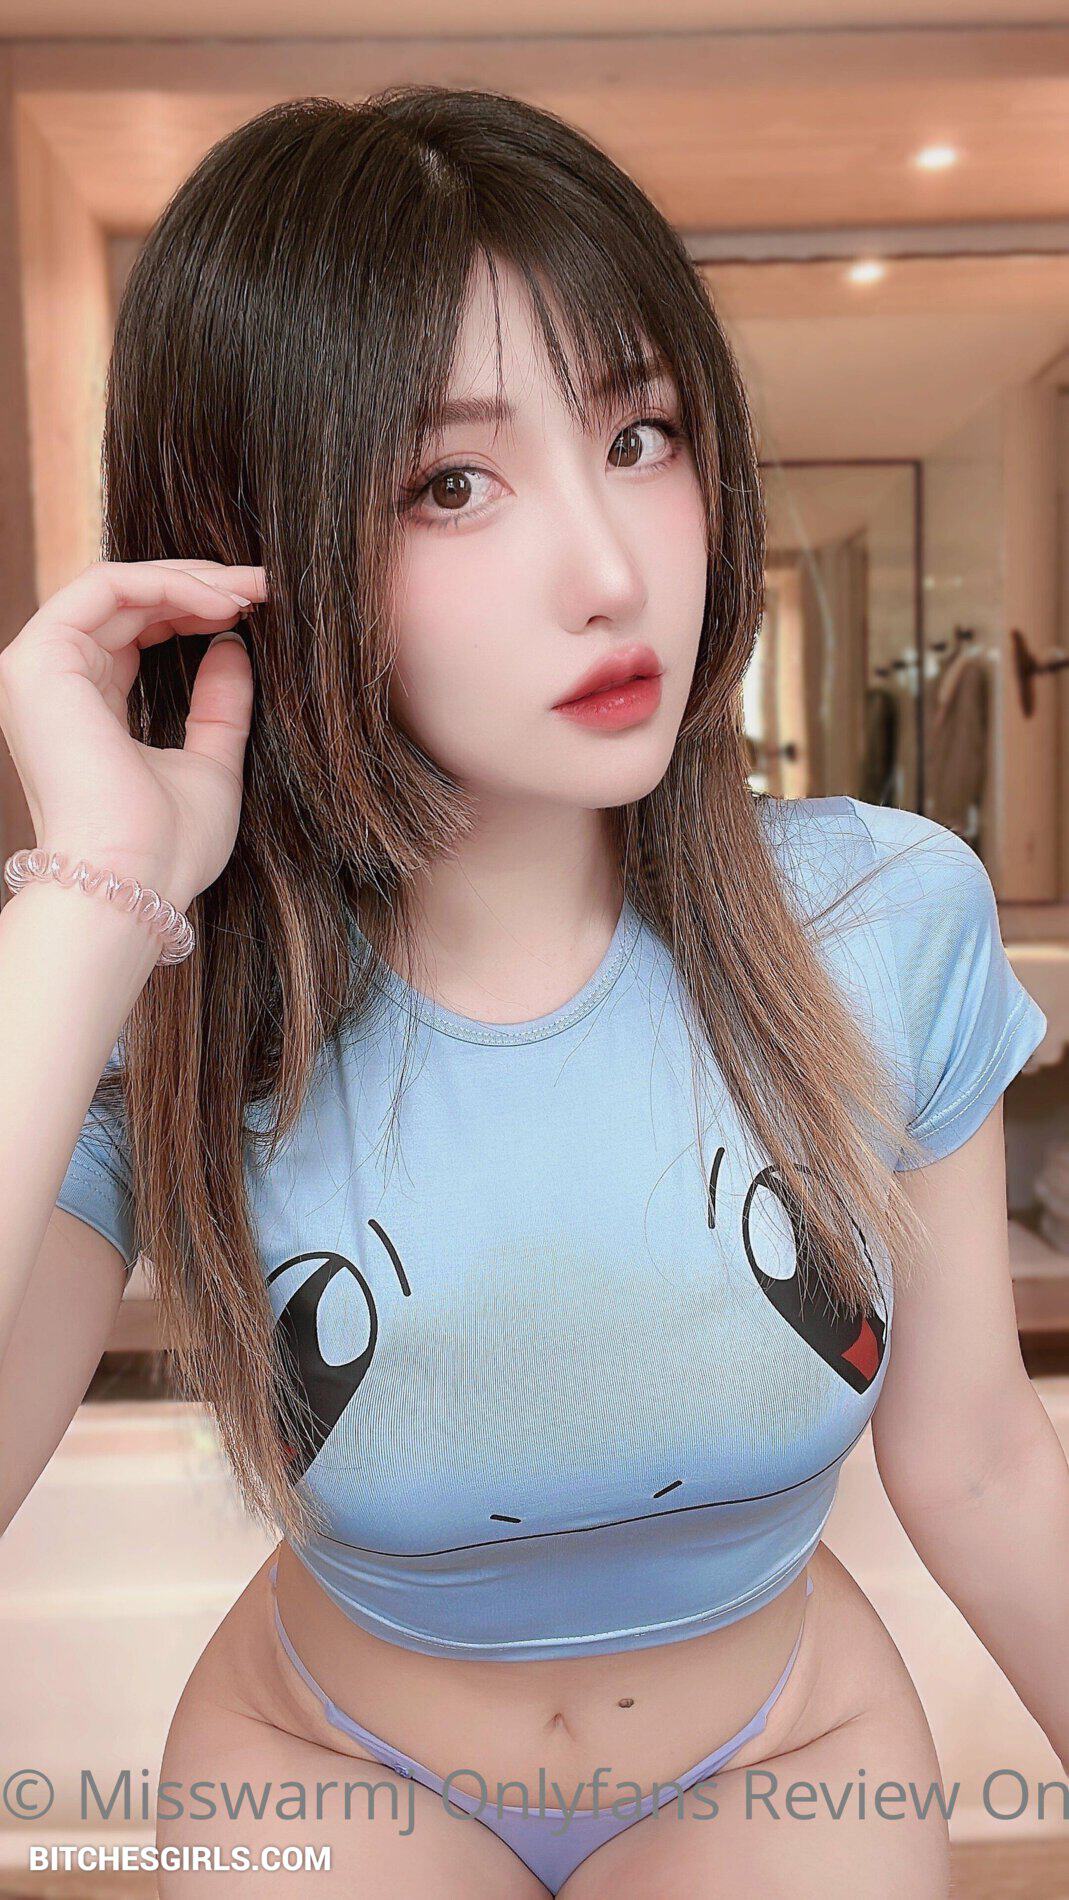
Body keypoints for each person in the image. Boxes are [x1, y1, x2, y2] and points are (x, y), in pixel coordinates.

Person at [0, 86, 1065, 1900]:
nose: (610, 570)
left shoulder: (881, 918)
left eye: (638, 437)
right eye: (452, 484)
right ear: (247, 543)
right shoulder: (168, 1000)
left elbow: (976, 1459)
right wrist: (94, 900)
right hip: (325, 1768)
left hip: (785, 1754)